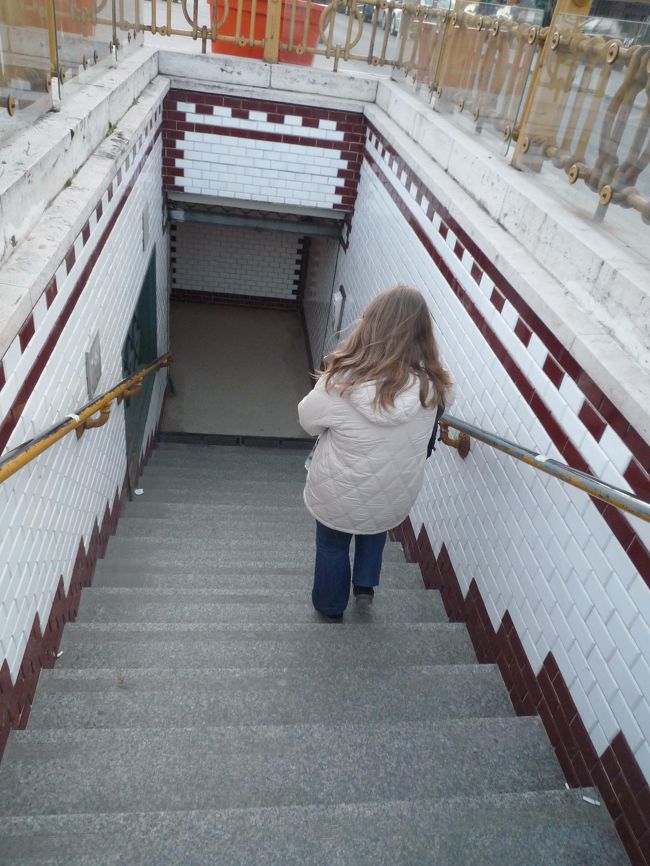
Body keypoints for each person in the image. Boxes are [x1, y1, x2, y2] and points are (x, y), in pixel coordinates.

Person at [297, 285, 454, 621]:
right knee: (375, 523)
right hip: (395, 488)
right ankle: (365, 586)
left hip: (338, 490)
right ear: (423, 335)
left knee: (332, 545)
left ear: (370, 326)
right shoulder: (437, 386)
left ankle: (330, 607)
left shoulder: (340, 383)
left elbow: (307, 421)